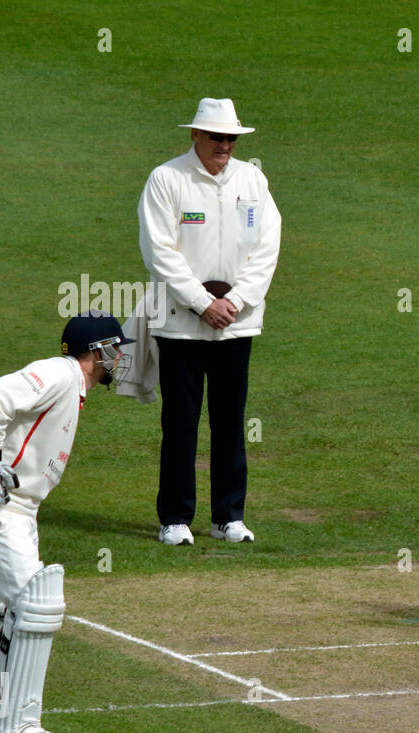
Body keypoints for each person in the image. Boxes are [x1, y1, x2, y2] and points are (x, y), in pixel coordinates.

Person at [0, 311, 134, 733]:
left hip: (16, 509)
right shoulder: (59, 372)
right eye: (116, 349)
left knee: (5, 609)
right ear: (98, 351)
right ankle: (18, 724)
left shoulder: (73, 386)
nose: (121, 358)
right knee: (36, 605)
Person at [137, 97, 282, 546]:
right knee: (180, 420)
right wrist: (203, 303)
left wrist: (235, 301)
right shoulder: (167, 179)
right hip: (181, 323)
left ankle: (227, 517)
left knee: (229, 418)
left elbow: (268, 246)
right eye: (217, 137)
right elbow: (159, 251)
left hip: (236, 322)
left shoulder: (252, 179)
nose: (225, 145)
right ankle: (176, 518)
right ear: (195, 135)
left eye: (231, 138)